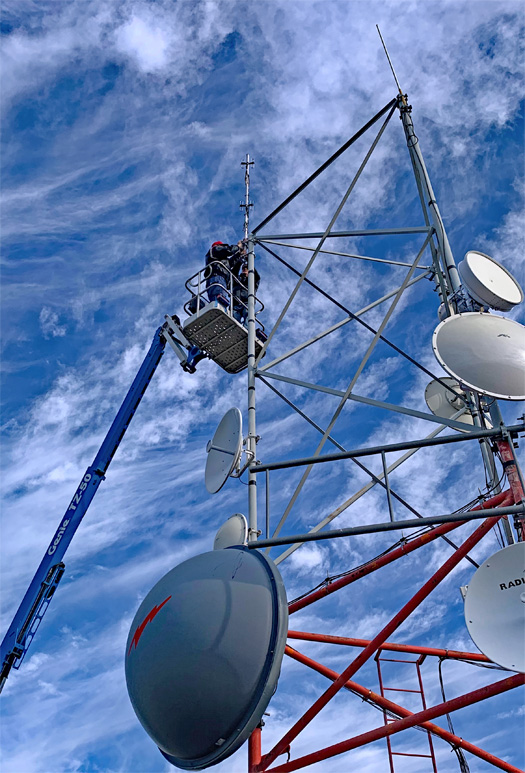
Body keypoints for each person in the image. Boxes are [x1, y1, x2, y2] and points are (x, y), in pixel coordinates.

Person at [205, 240, 245, 308]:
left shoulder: (221, 259)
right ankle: (218, 305)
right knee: (218, 297)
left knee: (221, 297)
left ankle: (219, 306)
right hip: (217, 276)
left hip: (222, 279)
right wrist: (238, 247)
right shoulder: (215, 250)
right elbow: (228, 250)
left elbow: (230, 263)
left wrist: (239, 254)